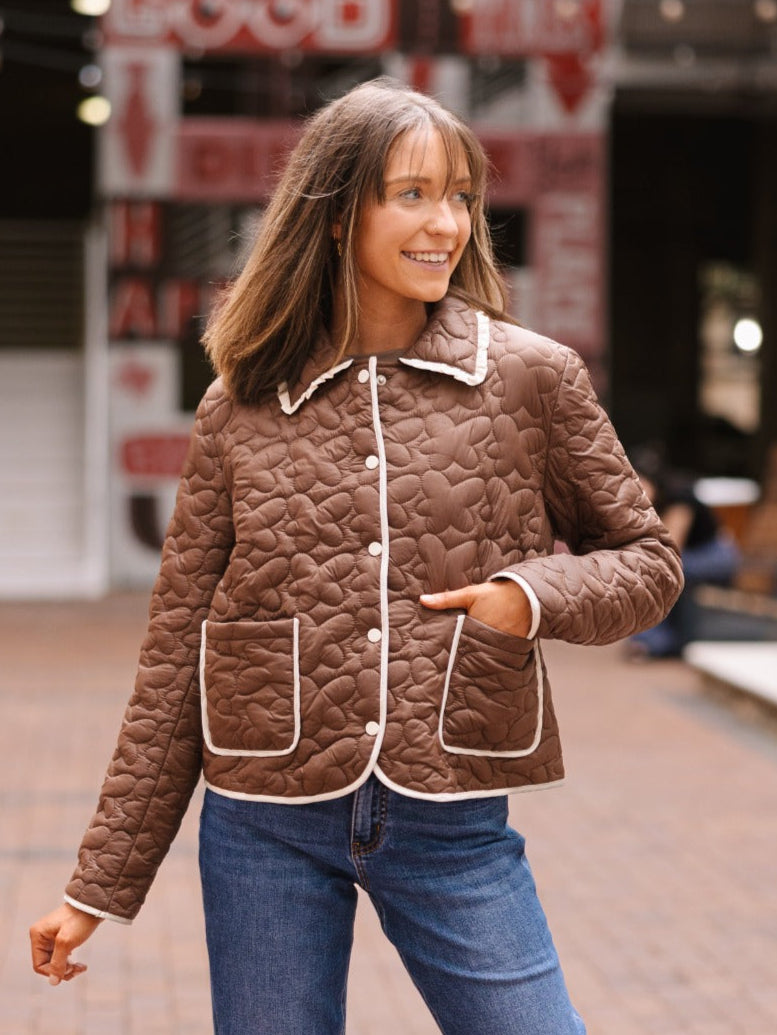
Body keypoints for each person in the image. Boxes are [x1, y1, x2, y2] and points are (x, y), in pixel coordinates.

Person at [30, 78, 683, 1034]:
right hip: (262, 823)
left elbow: (648, 559)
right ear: (336, 214)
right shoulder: (237, 408)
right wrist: (98, 885)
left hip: (450, 816)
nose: (446, 223)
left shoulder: (530, 377)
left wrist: (527, 594)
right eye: (411, 194)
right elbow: (175, 656)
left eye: (459, 195)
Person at [628, 446, 739, 658]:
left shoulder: (679, 497)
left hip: (715, 555)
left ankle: (658, 641)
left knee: (662, 571)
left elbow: (669, 549)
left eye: (639, 482)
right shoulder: (647, 503)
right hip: (690, 556)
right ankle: (653, 639)